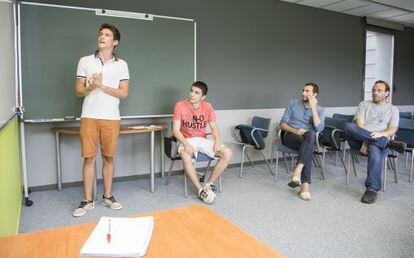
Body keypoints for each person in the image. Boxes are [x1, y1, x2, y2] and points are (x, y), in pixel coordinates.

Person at [73, 23, 130, 217]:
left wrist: (102, 86)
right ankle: (88, 200)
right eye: (100, 34)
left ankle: (107, 196)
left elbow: (124, 93)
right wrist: (91, 86)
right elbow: (78, 91)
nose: (102, 37)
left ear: (115, 42)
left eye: (106, 35)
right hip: (89, 116)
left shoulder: (122, 65)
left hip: (111, 118)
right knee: (89, 158)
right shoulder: (85, 61)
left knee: (108, 157)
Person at [344, 80, 406, 204]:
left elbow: (393, 129)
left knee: (374, 148)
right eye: (373, 90)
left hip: (378, 140)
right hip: (361, 141)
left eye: (379, 90)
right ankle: (386, 143)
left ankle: (371, 189)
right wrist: (365, 140)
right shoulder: (364, 104)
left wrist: (381, 135)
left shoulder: (393, 109)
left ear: (387, 93)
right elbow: (359, 124)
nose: (375, 93)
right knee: (348, 126)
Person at [172, 81, 232, 204]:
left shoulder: (207, 106)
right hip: (186, 139)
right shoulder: (179, 105)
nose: (192, 94)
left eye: (196, 93)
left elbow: (214, 128)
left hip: (202, 139)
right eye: (191, 91)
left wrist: (217, 141)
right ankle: (200, 190)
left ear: (203, 97)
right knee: (185, 154)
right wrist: (186, 144)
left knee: (227, 153)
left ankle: (209, 184)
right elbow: (175, 131)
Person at [279, 82, 325, 201]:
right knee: (309, 145)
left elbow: (319, 129)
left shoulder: (320, 109)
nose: (303, 93)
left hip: (307, 139)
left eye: (307, 91)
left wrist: (313, 107)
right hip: (290, 136)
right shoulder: (293, 104)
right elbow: (282, 124)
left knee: (310, 135)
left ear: (315, 94)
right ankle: (304, 186)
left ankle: (298, 174)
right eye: (303, 90)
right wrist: (295, 130)